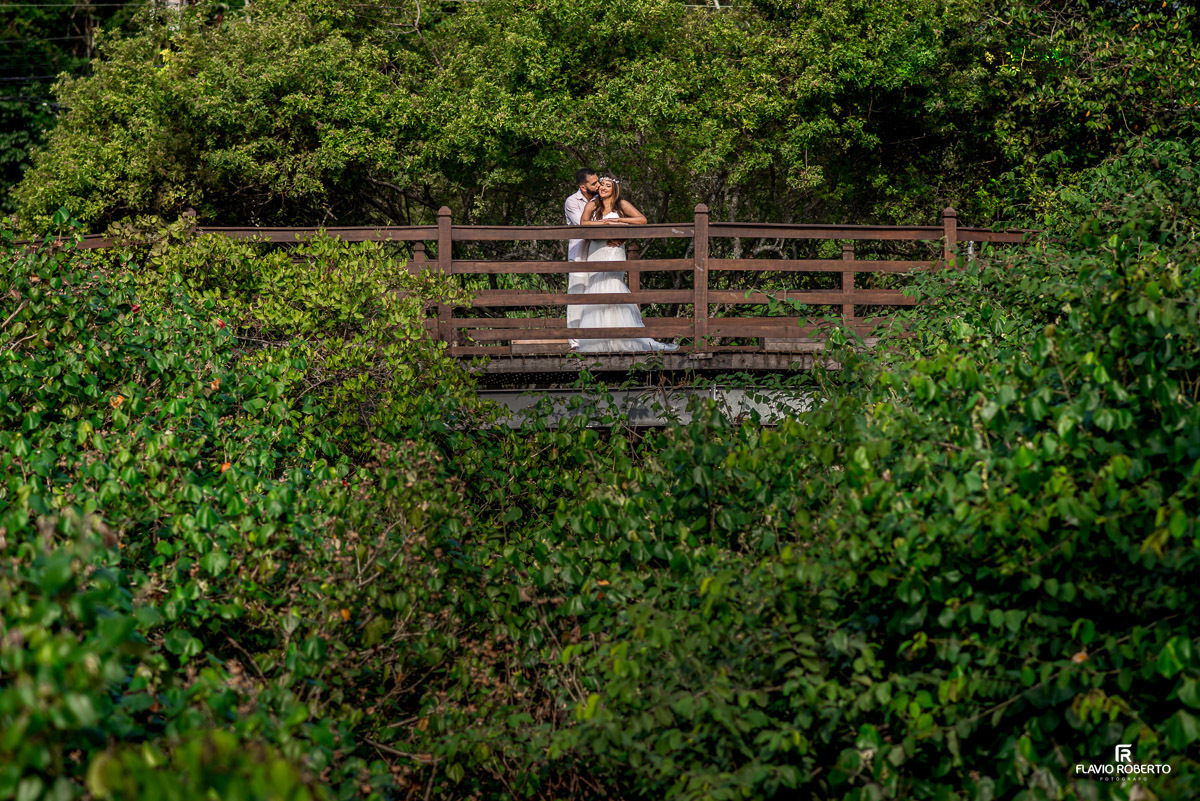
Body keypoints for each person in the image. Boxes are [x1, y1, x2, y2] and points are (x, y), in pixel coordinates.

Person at [572, 176, 679, 353]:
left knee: (614, 288)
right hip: (597, 250)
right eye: (602, 186)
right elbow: (584, 223)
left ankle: (620, 339)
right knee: (596, 289)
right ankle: (598, 342)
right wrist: (603, 224)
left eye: (608, 186)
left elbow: (642, 220)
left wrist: (618, 221)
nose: (603, 189)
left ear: (614, 189)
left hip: (614, 251)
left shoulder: (621, 205)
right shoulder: (593, 205)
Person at [563, 168, 600, 349]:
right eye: (594, 183)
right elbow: (583, 227)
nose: (598, 185)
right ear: (583, 187)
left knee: (598, 296)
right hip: (579, 255)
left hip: (598, 255)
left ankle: (596, 338)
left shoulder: (601, 199)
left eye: (598, 181)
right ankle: (575, 341)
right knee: (577, 297)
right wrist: (607, 225)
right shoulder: (572, 202)